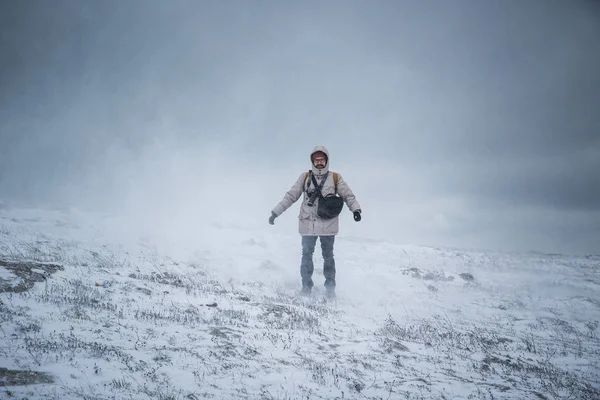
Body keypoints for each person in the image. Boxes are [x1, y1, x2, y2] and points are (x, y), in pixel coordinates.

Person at [269, 145, 362, 299]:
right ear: (312, 161)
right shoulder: (304, 177)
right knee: (306, 254)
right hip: (308, 224)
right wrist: (275, 212)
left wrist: (356, 210)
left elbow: (348, 196)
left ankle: (330, 289)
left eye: (322, 160)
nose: (319, 163)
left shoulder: (335, 178)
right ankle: (306, 287)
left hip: (328, 224)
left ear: (327, 161)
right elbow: (291, 196)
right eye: (316, 160)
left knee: (328, 256)